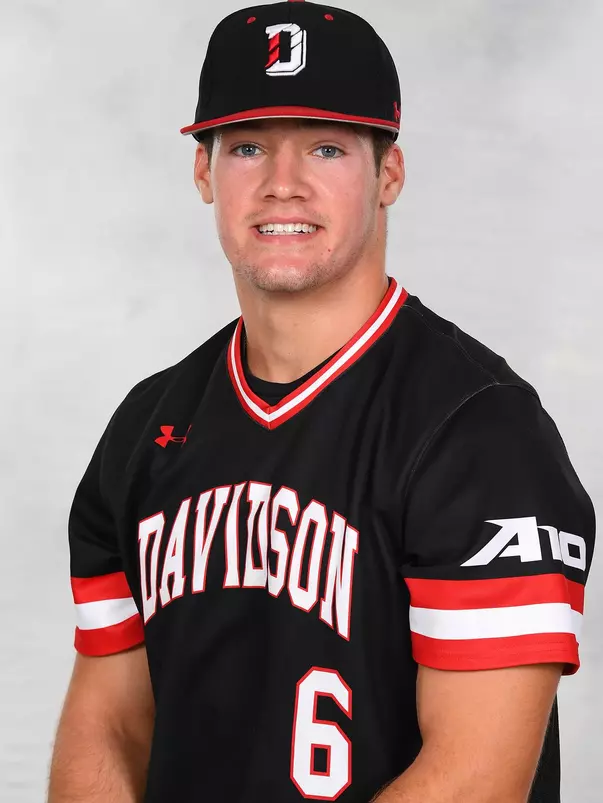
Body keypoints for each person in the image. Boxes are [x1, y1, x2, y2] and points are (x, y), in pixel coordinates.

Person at [47, 1, 596, 802]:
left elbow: (475, 778)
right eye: (246, 149)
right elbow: (110, 725)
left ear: (389, 174)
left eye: (328, 148)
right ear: (204, 174)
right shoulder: (144, 427)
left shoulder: (480, 430)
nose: (282, 184)